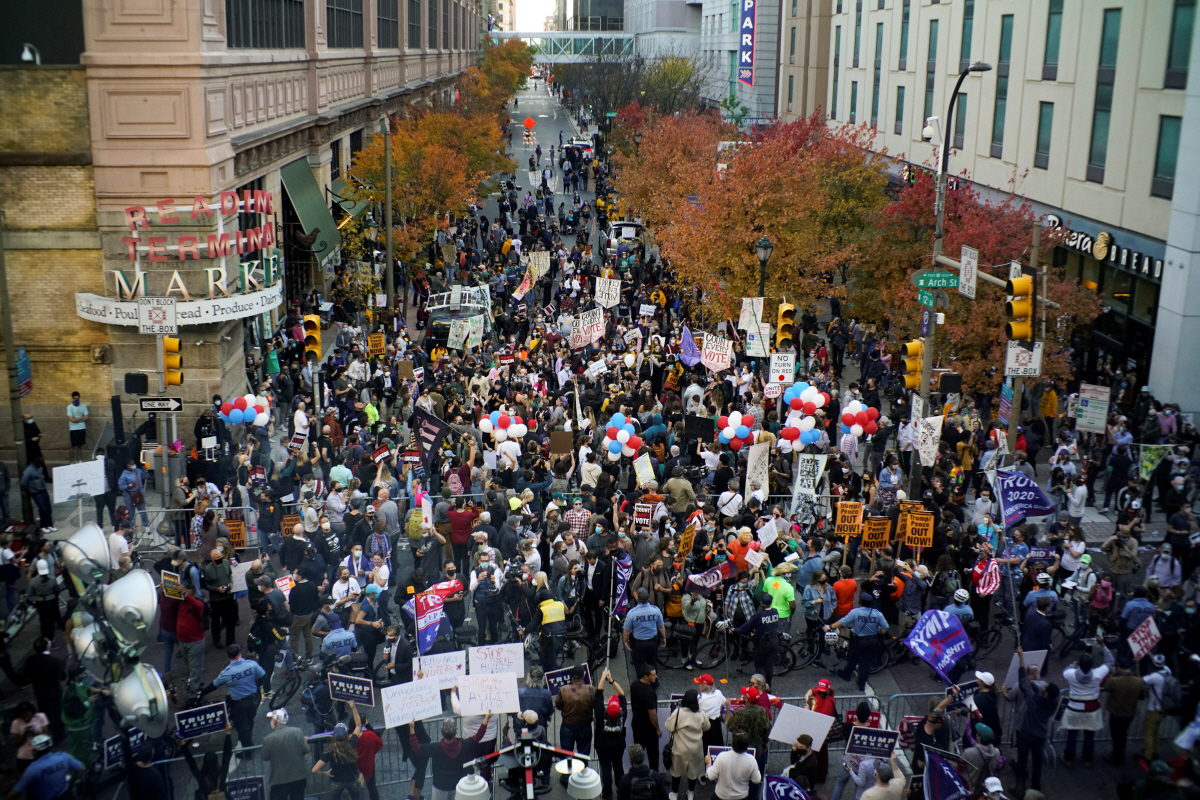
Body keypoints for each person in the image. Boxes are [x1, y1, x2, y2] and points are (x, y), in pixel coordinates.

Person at [407, 711, 494, 800]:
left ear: (442, 732)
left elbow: (415, 746)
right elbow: (478, 736)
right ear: (455, 732)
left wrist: (411, 728)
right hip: (457, 787)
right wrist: (486, 719)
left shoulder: (434, 748)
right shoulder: (464, 745)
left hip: (439, 787)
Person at [1011, 647, 1060, 796]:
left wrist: (1021, 658)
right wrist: (1033, 683)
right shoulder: (1053, 703)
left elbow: (1022, 681)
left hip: (1026, 734)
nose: (1043, 686)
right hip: (1040, 736)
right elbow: (1035, 689)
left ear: (1046, 693)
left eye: (1045, 687)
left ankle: (1019, 788)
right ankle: (1035, 788)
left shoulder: (1033, 700)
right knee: (1037, 764)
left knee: (1022, 761)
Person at [200, 644, 266, 748]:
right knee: (249, 721)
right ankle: (248, 740)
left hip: (239, 705)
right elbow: (264, 676)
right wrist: (255, 686)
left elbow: (213, 686)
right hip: (253, 700)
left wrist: (201, 693)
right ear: (239, 654)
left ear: (229, 656)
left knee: (242, 728)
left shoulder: (226, 673)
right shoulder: (252, 664)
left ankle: (248, 750)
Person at [1060, 647, 1114, 767]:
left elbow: (1066, 670)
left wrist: (1074, 665)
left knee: (1072, 735)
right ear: (1091, 665)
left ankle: (1068, 758)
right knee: (1089, 736)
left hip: (1074, 709)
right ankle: (1087, 760)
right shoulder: (1098, 674)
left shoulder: (1071, 674)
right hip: (1091, 709)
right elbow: (1110, 662)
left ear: (1080, 664)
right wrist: (1104, 646)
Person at [825, 592, 888, 691]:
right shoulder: (878, 614)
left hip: (858, 641)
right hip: (872, 641)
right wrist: (879, 633)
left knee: (852, 658)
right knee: (866, 664)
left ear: (861, 601)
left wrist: (830, 626)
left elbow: (843, 622)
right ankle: (862, 683)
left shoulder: (855, 612)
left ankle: (847, 674)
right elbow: (885, 627)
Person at [664, 689, 710, 800]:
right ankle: (690, 793)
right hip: (696, 749)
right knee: (693, 773)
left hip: (679, 748)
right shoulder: (701, 714)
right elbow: (707, 727)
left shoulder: (678, 713)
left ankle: (675, 794)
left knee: (676, 772)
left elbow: (668, 726)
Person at [312, 705, 365, 800]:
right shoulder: (351, 743)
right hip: (353, 779)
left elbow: (314, 769)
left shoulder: (329, 751)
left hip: (336, 781)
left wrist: (325, 773)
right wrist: (353, 708)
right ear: (346, 734)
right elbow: (358, 725)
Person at [13, 734, 83, 800]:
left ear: (34, 751)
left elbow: (17, 791)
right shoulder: (64, 756)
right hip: (65, 796)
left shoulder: (32, 769)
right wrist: (72, 780)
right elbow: (82, 768)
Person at [733, 593, 782, 686]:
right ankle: (768, 685)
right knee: (769, 664)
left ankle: (761, 686)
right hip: (774, 641)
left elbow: (748, 625)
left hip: (762, 643)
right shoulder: (775, 611)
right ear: (771, 603)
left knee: (759, 665)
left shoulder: (759, 614)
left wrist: (736, 630)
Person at [261, 709, 310, 800]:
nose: (271, 721)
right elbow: (306, 749)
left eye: (271, 719)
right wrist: (305, 742)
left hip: (279, 779)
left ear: (276, 720)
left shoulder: (268, 739)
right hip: (298, 776)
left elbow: (265, 756)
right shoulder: (297, 732)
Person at [594, 669, 627, 800]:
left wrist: (603, 677)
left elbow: (599, 694)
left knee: (605, 768)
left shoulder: (600, 715)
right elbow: (622, 694)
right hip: (618, 746)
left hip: (602, 747)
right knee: (618, 767)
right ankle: (621, 791)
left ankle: (607, 793)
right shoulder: (623, 715)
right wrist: (611, 680)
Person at [556, 664, 598, 767]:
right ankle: (583, 772)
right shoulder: (591, 690)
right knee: (583, 754)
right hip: (585, 726)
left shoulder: (563, 690)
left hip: (568, 726)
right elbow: (595, 704)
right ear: (583, 675)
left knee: (566, 754)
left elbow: (558, 706)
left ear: (571, 676)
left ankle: (567, 774)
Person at [624, 587, 667, 677]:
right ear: (648, 598)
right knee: (652, 664)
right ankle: (653, 681)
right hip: (652, 643)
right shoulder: (655, 610)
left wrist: (626, 641)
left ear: (637, 598)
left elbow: (626, 632)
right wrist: (663, 638)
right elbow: (661, 626)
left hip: (638, 644)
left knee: (639, 666)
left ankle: (641, 682)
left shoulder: (632, 613)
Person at [704, 733, 761, 800]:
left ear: (732, 743)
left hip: (721, 796)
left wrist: (709, 762)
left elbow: (711, 776)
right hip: (741, 797)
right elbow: (757, 780)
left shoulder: (722, 756)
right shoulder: (751, 760)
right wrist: (757, 769)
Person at [630, 666, 662, 769]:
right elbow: (653, 715)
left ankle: (635, 771)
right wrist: (657, 729)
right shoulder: (649, 693)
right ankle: (654, 774)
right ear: (645, 677)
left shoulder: (634, 685)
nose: (656, 677)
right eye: (653, 675)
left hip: (636, 724)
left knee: (637, 752)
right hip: (649, 729)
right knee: (653, 754)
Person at [10, 701, 50, 772]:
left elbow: (46, 736)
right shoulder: (15, 723)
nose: (26, 719)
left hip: (41, 752)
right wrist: (24, 734)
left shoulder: (40, 716)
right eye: (23, 717)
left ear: (31, 712)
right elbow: (17, 743)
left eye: (27, 716)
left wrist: (35, 732)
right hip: (25, 756)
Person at [66, 391, 89, 462]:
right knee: (72, 446)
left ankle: (79, 460)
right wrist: (80, 418)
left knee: (80, 445)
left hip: (82, 428)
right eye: (75, 398)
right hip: (73, 429)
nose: (77, 400)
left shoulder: (83, 405)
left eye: (78, 398)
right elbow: (71, 419)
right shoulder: (69, 407)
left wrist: (77, 420)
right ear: (72, 398)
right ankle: (71, 461)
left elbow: (86, 417)